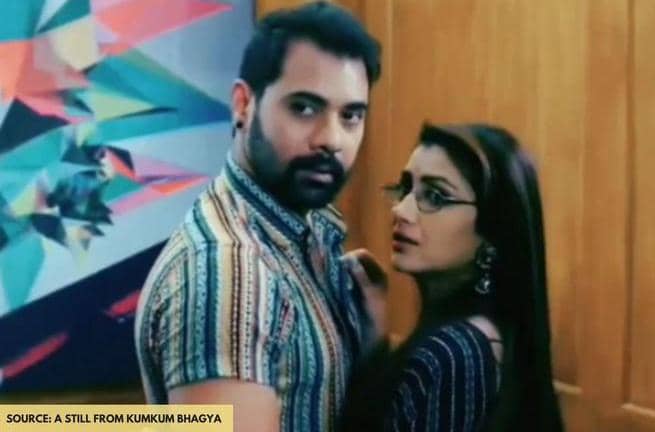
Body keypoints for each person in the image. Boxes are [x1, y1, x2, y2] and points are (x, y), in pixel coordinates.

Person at [133, 2, 384, 432]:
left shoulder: (310, 231)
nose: (332, 139)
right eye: (304, 108)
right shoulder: (229, 270)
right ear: (243, 105)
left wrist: (373, 338)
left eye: (351, 116)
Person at [343, 123, 563, 431]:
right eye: (405, 189)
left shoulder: (454, 353)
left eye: (435, 196)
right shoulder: (472, 334)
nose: (401, 210)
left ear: (493, 230)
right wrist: (374, 343)